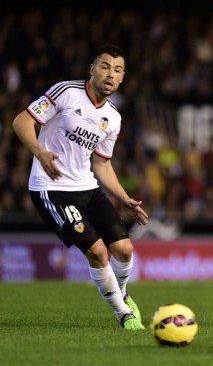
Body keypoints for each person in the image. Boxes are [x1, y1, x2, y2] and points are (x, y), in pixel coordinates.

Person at [13, 44, 148, 331]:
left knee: (124, 249)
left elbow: (102, 165)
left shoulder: (113, 118)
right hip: (51, 189)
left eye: (118, 69)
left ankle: (122, 294)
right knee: (98, 253)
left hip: (86, 186)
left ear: (123, 77)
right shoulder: (66, 92)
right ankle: (123, 313)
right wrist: (39, 152)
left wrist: (123, 197)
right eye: (105, 66)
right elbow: (21, 121)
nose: (110, 74)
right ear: (92, 69)